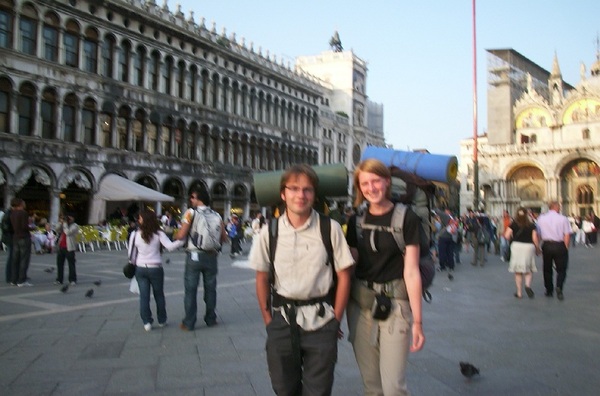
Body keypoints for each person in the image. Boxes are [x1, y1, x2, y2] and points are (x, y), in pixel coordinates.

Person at [249, 163, 354, 396]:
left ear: (314, 195)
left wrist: (336, 320)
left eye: (307, 189)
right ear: (283, 194)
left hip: (321, 322)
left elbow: (344, 275)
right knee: (283, 388)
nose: (300, 195)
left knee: (318, 391)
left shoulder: (330, 228)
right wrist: (268, 320)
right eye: (294, 189)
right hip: (282, 321)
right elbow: (261, 277)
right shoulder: (269, 232)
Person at [345, 159, 425, 395]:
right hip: (360, 306)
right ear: (360, 188)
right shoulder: (355, 221)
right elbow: (349, 268)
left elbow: (411, 272)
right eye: (365, 184)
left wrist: (418, 322)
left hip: (396, 307)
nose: (371, 188)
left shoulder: (406, 218)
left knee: (393, 387)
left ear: (387, 182)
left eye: (376, 181)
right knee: (372, 386)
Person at [175, 188, 227, 330]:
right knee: (211, 289)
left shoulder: (190, 213)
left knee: (191, 290)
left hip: (194, 256)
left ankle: (189, 322)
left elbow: (181, 234)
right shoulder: (217, 215)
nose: (191, 199)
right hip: (211, 256)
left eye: (193, 197)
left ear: (199, 199)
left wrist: (174, 236)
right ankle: (211, 319)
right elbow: (224, 237)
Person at [129, 210, 184, 331]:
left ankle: (147, 322)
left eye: (140, 218)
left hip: (141, 268)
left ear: (143, 220)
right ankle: (162, 319)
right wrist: (182, 241)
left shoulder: (135, 234)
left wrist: (134, 264)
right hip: (156, 268)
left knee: (144, 296)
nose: (138, 220)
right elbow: (170, 247)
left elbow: (131, 255)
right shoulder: (159, 234)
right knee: (159, 295)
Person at [536, 201, 571, 301]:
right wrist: (566, 247)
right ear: (555, 207)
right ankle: (559, 286)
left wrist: (537, 247)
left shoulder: (541, 218)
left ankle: (549, 290)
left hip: (546, 245)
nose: (560, 208)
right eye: (559, 207)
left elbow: (538, 234)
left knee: (547, 269)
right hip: (559, 245)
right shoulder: (563, 218)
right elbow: (567, 235)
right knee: (561, 269)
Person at [504, 207, 540, 299]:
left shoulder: (513, 224)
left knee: (518, 271)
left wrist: (512, 238)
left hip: (516, 247)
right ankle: (527, 286)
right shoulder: (531, 225)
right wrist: (537, 249)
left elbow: (506, 236)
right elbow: (535, 238)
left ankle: (519, 293)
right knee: (529, 269)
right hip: (529, 247)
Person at [10, 198, 33, 287]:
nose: (24, 204)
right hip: (24, 237)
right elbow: (24, 226)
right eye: (23, 202)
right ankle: (21, 280)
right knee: (24, 259)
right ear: (20, 204)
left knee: (15, 259)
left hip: (15, 237)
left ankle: (14, 279)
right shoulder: (23, 213)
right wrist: (32, 227)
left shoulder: (12, 213)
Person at [54, 214, 79, 286]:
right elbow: (57, 229)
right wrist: (60, 222)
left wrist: (65, 224)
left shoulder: (75, 226)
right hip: (61, 247)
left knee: (71, 264)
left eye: (69, 218)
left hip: (70, 247)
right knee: (60, 264)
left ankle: (72, 279)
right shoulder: (64, 225)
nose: (68, 219)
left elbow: (68, 232)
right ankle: (59, 279)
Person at [1, 206, 14, 283]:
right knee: (11, 257)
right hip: (9, 237)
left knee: (12, 257)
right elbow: (5, 227)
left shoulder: (8, 214)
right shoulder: (8, 214)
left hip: (9, 237)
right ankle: (9, 276)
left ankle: (11, 275)